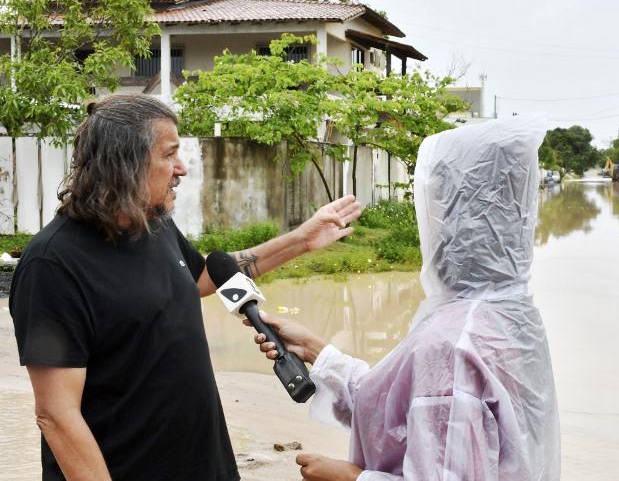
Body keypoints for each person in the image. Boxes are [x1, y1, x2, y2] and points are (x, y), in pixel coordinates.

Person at [9, 94, 361, 480]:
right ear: (124, 162)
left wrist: (301, 241)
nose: (182, 168)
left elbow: (200, 279)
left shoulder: (152, 222)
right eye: (169, 154)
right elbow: (57, 415)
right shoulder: (53, 264)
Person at [250, 115, 561, 480]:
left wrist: (349, 476)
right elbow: (400, 407)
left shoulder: (451, 346)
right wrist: (318, 352)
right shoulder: (513, 316)